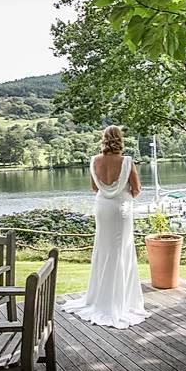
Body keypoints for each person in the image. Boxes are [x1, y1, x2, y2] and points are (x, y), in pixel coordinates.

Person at [60, 125, 150, 329]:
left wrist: (108, 191)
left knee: (103, 249)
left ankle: (101, 298)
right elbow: (136, 189)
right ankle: (121, 301)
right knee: (121, 251)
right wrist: (123, 194)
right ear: (120, 139)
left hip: (102, 208)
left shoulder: (94, 161)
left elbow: (94, 188)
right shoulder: (127, 161)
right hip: (120, 209)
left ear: (104, 139)